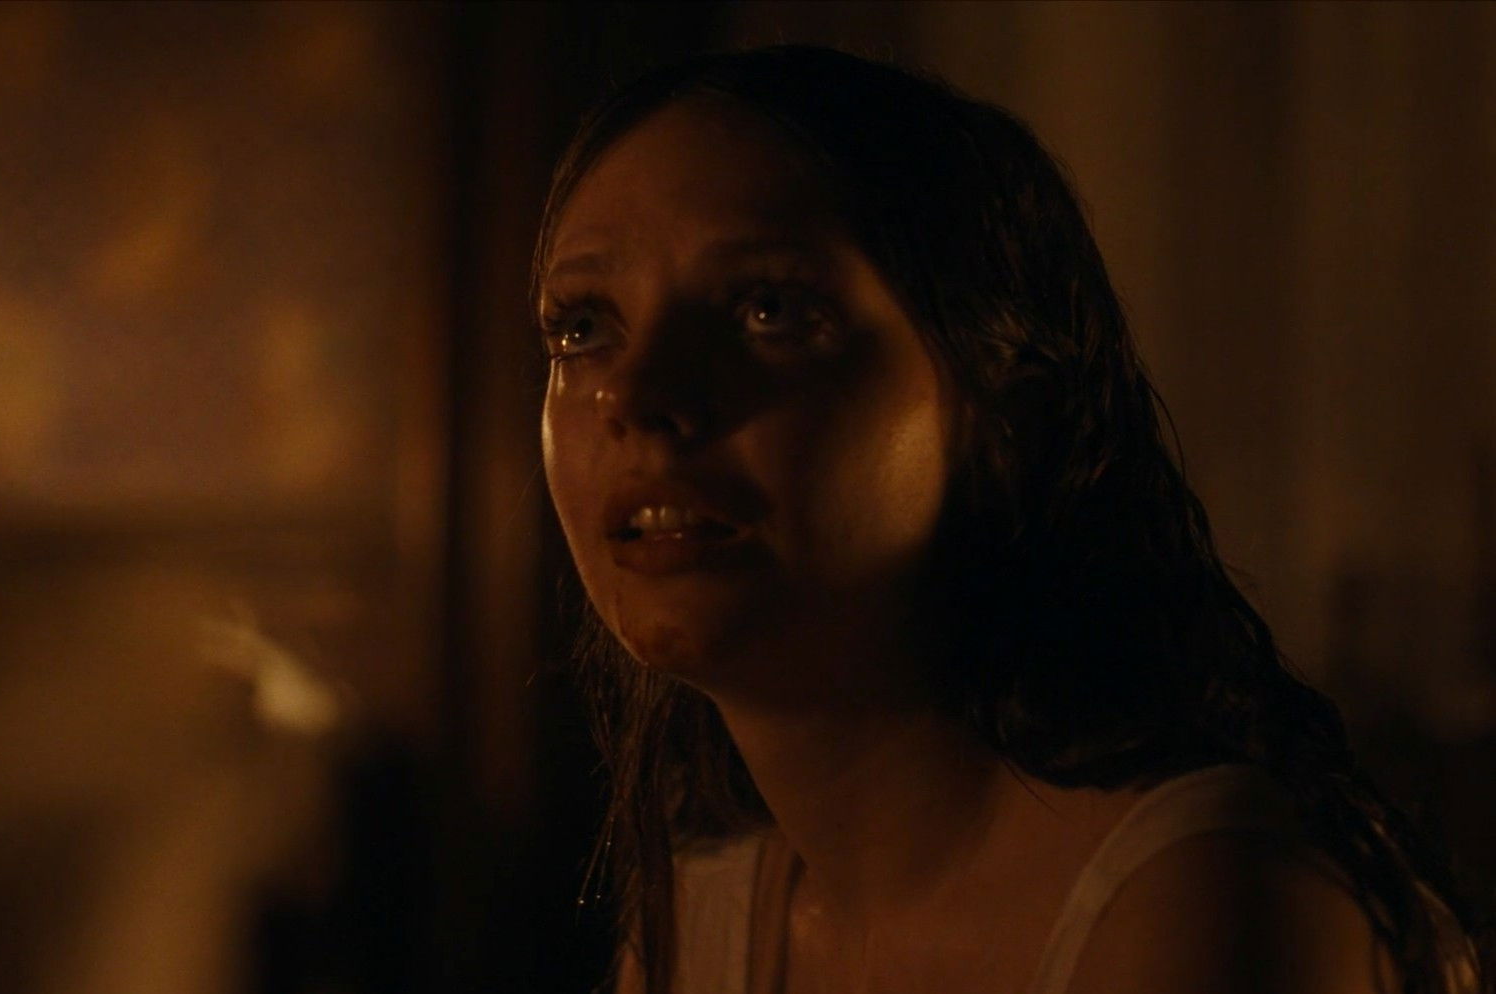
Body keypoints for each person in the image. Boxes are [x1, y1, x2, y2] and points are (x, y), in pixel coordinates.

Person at [531, 46, 1486, 994]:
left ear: (1003, 410)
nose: (637, 395)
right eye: (582, 328)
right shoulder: (699, 930)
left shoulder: (1195, 906)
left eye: (769, 309)